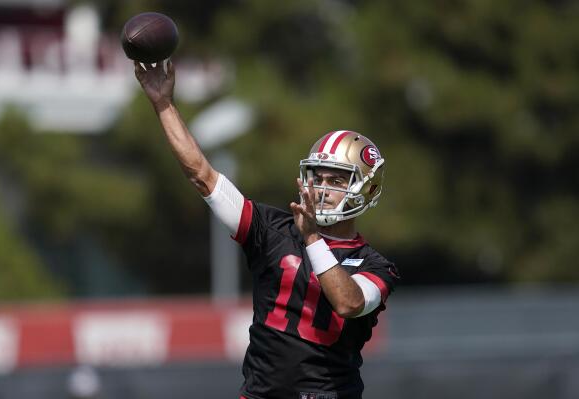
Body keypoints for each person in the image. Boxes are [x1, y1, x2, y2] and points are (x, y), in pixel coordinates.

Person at [134, 60, 399, 399]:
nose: (321, 188)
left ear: (368, 190)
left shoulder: (375, 265)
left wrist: (312, 238)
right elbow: (203, 175)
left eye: (336, 180)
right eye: (317, 177)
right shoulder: (273, 229)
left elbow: (348, 302)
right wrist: (163, 104)